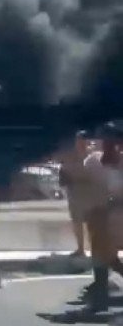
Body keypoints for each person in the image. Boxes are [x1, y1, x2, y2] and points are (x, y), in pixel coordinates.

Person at [81, 122, 123, 311]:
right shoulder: (92, 161)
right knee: (102, 257)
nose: (107, 144)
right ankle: (100, 293)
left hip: (118, 216)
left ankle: (100, 294)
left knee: (108, 257)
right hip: (98, 216)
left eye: (112, 140)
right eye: (104, 140)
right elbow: (85, 185)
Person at [58, 130, 92, 257]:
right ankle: (80, 249)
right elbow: (64, 172)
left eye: (84, 140)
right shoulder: (71, 156)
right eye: (79, 140)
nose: (81, 143)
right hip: (75, 192)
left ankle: (92, 247)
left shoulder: (92, 156)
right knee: (77, 221)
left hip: (90, 193)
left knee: (91, 223)